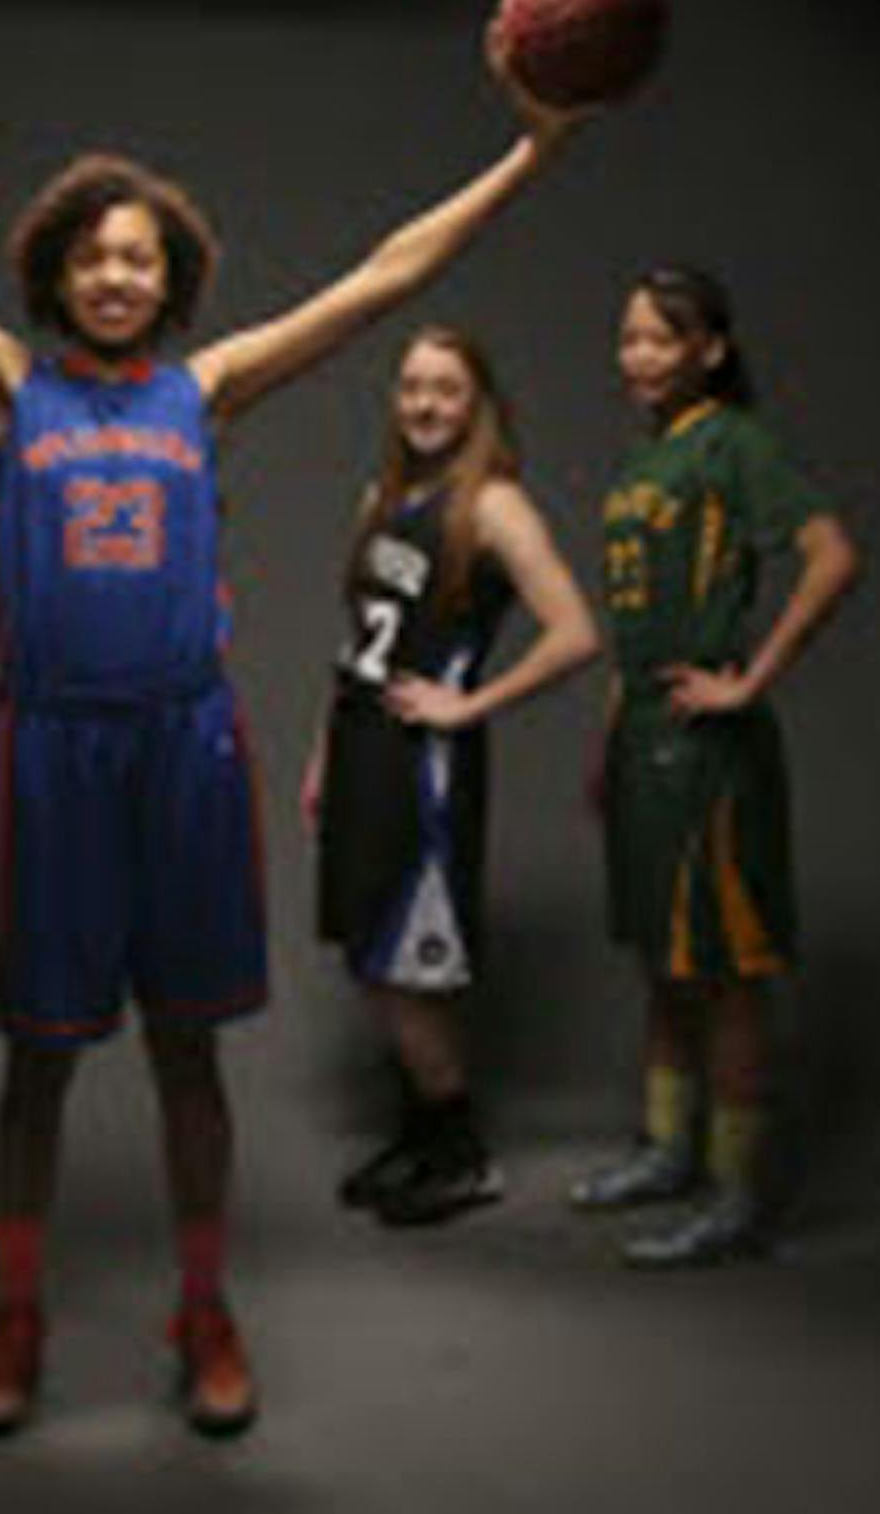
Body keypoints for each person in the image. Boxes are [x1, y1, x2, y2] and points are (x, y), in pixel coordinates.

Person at [0, 45, 587, 1436]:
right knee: (36, 1056)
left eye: (139, 258)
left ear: (174, 277)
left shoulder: (204, 389)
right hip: (48, 754)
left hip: (184, 747)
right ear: (54, 273)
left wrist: (536, 150)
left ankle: (205, 1306)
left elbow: (383, 276)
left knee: (187, 1052)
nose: (114, 276)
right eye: (92, 256)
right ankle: (16, 1313)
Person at [569, 265, 859, 1268]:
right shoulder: (648, 458)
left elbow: (830, 554)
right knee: (664, 954)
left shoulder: (736, 443)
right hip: (644, 732)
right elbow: (631, 629)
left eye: (660, 337)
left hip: (710, 749)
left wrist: (750, 681)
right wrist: (609, 729)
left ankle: (736, 1194)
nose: (638, 355)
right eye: (629, 337)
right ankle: (664, 1149)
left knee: (728, 972)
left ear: (711, 349)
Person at [304, 325, 598, 1228]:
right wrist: (323, 751)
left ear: (477, 406)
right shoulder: (381, 497)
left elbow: (575, 633)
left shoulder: (495, 505)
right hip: (362, 745)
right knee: (367, 951)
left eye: (445, 390)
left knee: (405, 960)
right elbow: (357, 642)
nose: (425, 405)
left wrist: (471, 706)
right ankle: (419, 1136)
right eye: (411, 388)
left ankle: (460, 1150)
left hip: (424, 762)